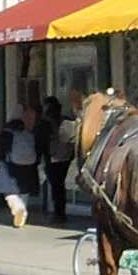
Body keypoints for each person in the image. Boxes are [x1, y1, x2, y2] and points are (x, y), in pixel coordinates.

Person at [43, 93, 78, 223]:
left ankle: (58, 212)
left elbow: (43, 140)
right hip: (65, 156)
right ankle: (60, 211)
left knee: (56, 185)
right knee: (59, 184)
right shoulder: (66, 119)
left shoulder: (46, 121)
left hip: (52, 156)